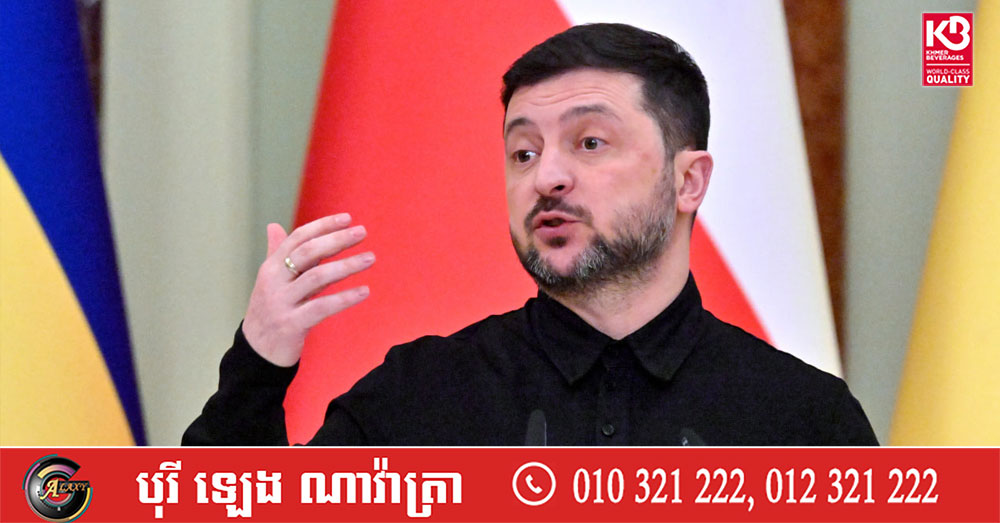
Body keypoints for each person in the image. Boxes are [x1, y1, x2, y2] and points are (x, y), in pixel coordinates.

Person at [183, 23, 877, 446]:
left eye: (590, 142)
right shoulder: (420, 397)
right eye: (523, 152)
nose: (546, 177)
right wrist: (259, 361)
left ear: (688, 181)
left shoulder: (803, 421)